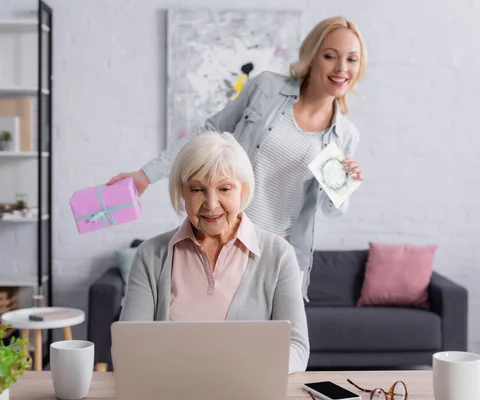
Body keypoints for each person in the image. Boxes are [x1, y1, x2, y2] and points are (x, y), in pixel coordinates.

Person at [108, 16, 368, 300]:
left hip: (281, 251)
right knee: (208, 333)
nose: (342, 68)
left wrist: (344, 186)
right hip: (225, 237)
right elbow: (209, 131)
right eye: (330, 56)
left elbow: (330, 210)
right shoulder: (266, 88)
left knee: (274, 341)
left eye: (352, 59)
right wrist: (146, 175)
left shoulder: (345, 134)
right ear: (312, 56)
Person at [119, 132, 310, 374]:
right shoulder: (150, 255)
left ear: (243, 191)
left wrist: (247, 372)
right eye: (197, 189)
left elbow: (296, 347)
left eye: (225, 189)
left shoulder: (279, 255)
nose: (211, 203)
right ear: (183, 193)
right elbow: (130, 345)